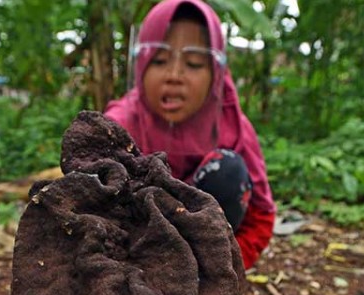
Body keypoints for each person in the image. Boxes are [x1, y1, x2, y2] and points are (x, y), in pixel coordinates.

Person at [104, 0, 275, 269]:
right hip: (132, 260)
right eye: (159, 60)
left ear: (215, 74)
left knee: (227, 171)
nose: (174, 75)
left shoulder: (234, 129)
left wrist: (225, 271)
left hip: (206, 265)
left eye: (194, 64)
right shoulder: (118, 125)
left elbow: (261, 216)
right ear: (141, 66)